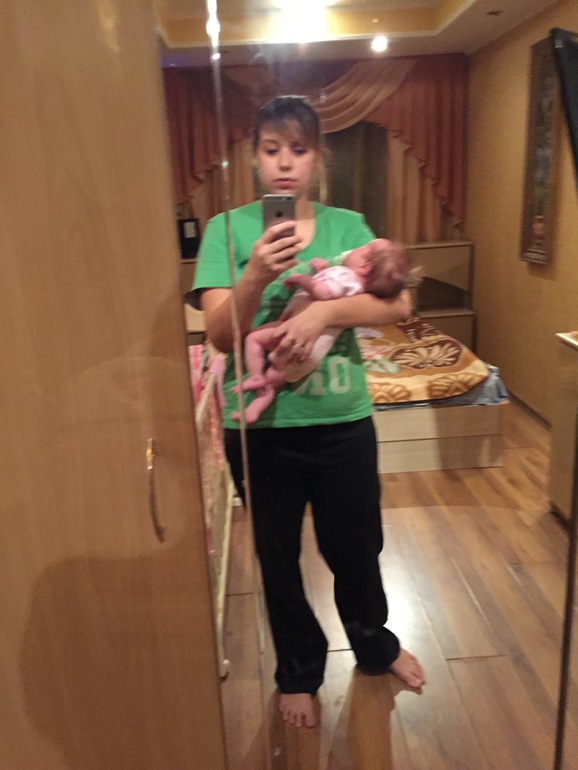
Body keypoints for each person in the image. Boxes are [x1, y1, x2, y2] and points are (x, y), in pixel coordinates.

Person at [193, 95, 425, 730]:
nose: (285, 162)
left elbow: (398, 303)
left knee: (358, 547)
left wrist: (322, 312)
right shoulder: (226, 230)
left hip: (343, 420)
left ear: (318, 159)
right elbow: (220, 335)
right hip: (260, 429)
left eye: (298, 149)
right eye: (272, 149)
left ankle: (375, 646)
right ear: (254, 157)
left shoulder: (349, 226)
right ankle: (298, 670)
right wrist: (254, 273)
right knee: (277, 558)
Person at [231, 239, 410, 424]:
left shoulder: (345, 275)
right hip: (312, 354)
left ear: (365, 266)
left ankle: (255, 376)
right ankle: (253, 410)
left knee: (253, 338)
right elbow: (333, 287)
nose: (352, 250)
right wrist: (322, 270)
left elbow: (324, 292)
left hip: (294, 334)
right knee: (272, 381)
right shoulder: (358, 289)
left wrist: (300, 279)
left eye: (359, 249)